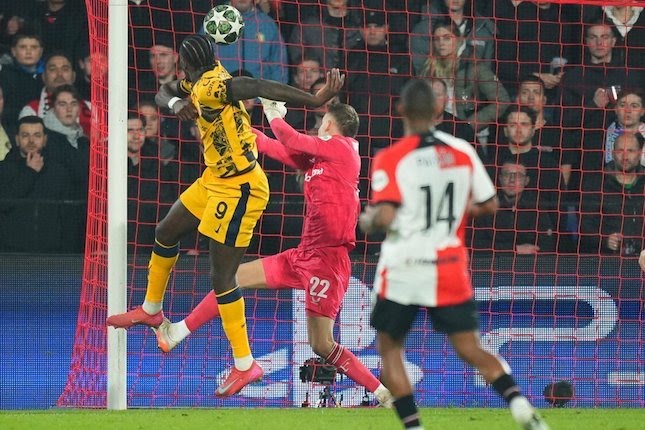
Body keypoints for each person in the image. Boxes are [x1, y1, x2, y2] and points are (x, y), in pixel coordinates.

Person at [106, 33, 345, 398]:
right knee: (166, 231)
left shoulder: (214, 86)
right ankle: (152, 310)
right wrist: (173, 102)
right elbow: (164, 89)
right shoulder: (198, 79)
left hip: (240, 188)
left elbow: (255, 84)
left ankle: (245, 364)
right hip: (214, 178)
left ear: (188, 63)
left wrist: (314, 98)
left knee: (223, 277)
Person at [153, 100, 393, 406]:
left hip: (328, 262)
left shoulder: (344, 149)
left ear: (330, 126)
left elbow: (290, 138)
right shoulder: (319, 161)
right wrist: (234, 127)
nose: (319, 126)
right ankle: (176, 333)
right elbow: (270, 144)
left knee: (322, 343)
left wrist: (272, 110)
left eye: (322, 121)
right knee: (232, 278)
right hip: (303, 255)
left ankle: (381, 392)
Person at [358, 78, 549, 430]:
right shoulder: (461, 150)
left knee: (390, 351)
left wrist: (368, 219)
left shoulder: (392, 157)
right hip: (448, 264)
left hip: (404, 268)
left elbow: (384, 217)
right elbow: (490, 203)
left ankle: (414, 427)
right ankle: (521, 406)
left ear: (400, 111)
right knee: (470, 348)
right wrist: (454, 214)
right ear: (436, 110)